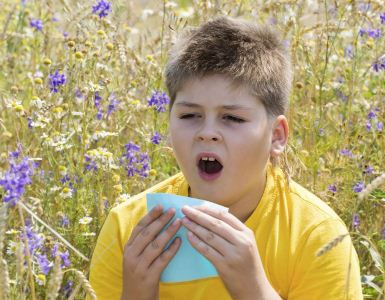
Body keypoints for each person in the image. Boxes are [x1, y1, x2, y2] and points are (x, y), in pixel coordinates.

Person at [88, 16, 363, 300]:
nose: (207, 133)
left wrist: (253, 288)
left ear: (276, 136)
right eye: (189, 115)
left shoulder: (316, 235)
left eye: (232, 118)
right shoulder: (130, 227)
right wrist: (136, 293)